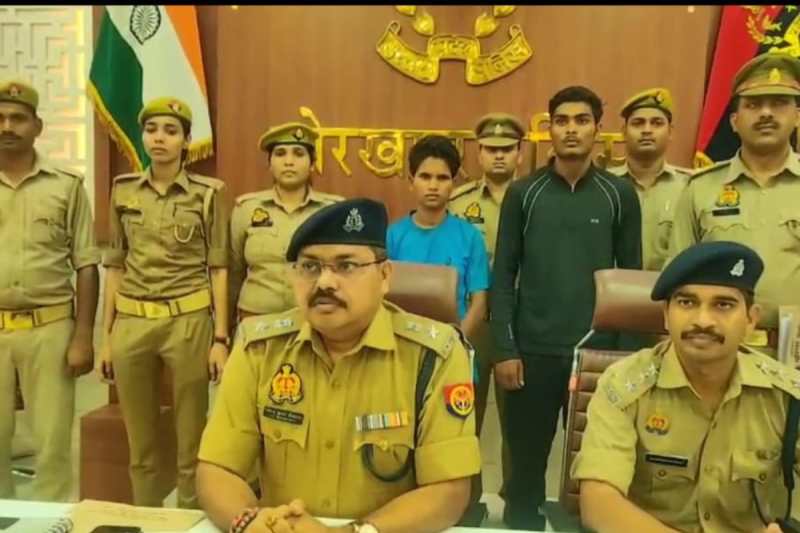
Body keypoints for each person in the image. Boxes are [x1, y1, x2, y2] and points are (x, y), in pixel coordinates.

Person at [196, 198, 480, 533]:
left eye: (346, 266)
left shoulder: (435, 355)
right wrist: (249, 523)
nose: (325, 282)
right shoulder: (259, 347)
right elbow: (216, 469)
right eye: (310, 267)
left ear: (385, 275)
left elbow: (449, 491)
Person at [491, 85, 642, 529]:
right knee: (524, 469)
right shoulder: (524, 193)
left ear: (597, 129)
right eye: (562, 121)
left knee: (591, 472)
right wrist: (505, 349)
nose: (571, 129)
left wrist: (625, 357)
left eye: (581, 120)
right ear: (549, 129)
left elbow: (630, 282)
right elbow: (503, 275)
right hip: (532, 352)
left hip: (597, 356)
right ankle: (522, 523)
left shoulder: (619, 194)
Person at [572, 241, 800, 533]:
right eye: (687, 303)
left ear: (750, 320)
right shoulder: (623, 385)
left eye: (723, 305)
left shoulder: (787, 394)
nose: (703, 320)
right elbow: (599, 503)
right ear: (666, 315)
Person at [99, 97, 230, 508]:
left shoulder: (208, 194)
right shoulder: (123, 191)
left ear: (186, 141)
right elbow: (114, 266)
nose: (159, 138)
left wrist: (220, 338)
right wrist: (107, 338)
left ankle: (187, 520)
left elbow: (219, 268)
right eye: (152, 129)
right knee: (140, 445)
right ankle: (147, 519)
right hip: (132, 321)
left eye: (171, 131)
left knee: (191, 439)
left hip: (188, 321)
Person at [0, 79, 100, 501]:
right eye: (0, 118)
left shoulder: (65, 185)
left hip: (50, 328)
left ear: (37, 126)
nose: (7, 126)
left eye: (18, 118)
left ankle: (51, 524)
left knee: (52, 445)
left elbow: (87, 264)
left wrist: (83, 336)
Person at [670, 52, 800, 353]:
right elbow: (679, 279)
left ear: (797, 116)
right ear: (734, 121)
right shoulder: (700, 188)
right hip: (718, 349)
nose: (766, 113)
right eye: (753, 105)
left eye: (779, 103)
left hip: (794, 352)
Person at [449, 112, 526, 524]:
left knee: (517, 421)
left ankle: (515, 502)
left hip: (519, 322)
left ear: (520, 154)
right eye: (491, 149)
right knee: (462, 415)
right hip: (473, 321)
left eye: (507, 149)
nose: (499, 156)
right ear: (478, 153)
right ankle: (465, 502)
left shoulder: (533, 196)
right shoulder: (458, 202)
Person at [229, 122, 342, 326]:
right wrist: (225, 329)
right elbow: (234, 273)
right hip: (257, 321)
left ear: (312, 164)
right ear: (270, 163)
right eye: (280, 154)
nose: (289, 162)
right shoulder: (246, 208)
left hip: (312, 322)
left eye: (298, 154)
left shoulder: (332, 211)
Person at [387, 134, 489, 340]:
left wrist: (456, 344)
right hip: (402, 344)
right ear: (411, 182)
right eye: (425, 177)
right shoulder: (393, 236)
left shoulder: (470, 237)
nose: (433, 186)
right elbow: (380, 299)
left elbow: (479, 303)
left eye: (442, 178)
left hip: (453, 344)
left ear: (453, 183)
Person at [608, 88, 691, 271]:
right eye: (638, 123)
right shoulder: (604, 187)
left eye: (656, 123)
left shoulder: (689, 187)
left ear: (670, 132)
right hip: (612, 287)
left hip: (670, 287)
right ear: (623, 132)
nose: (647, 130)